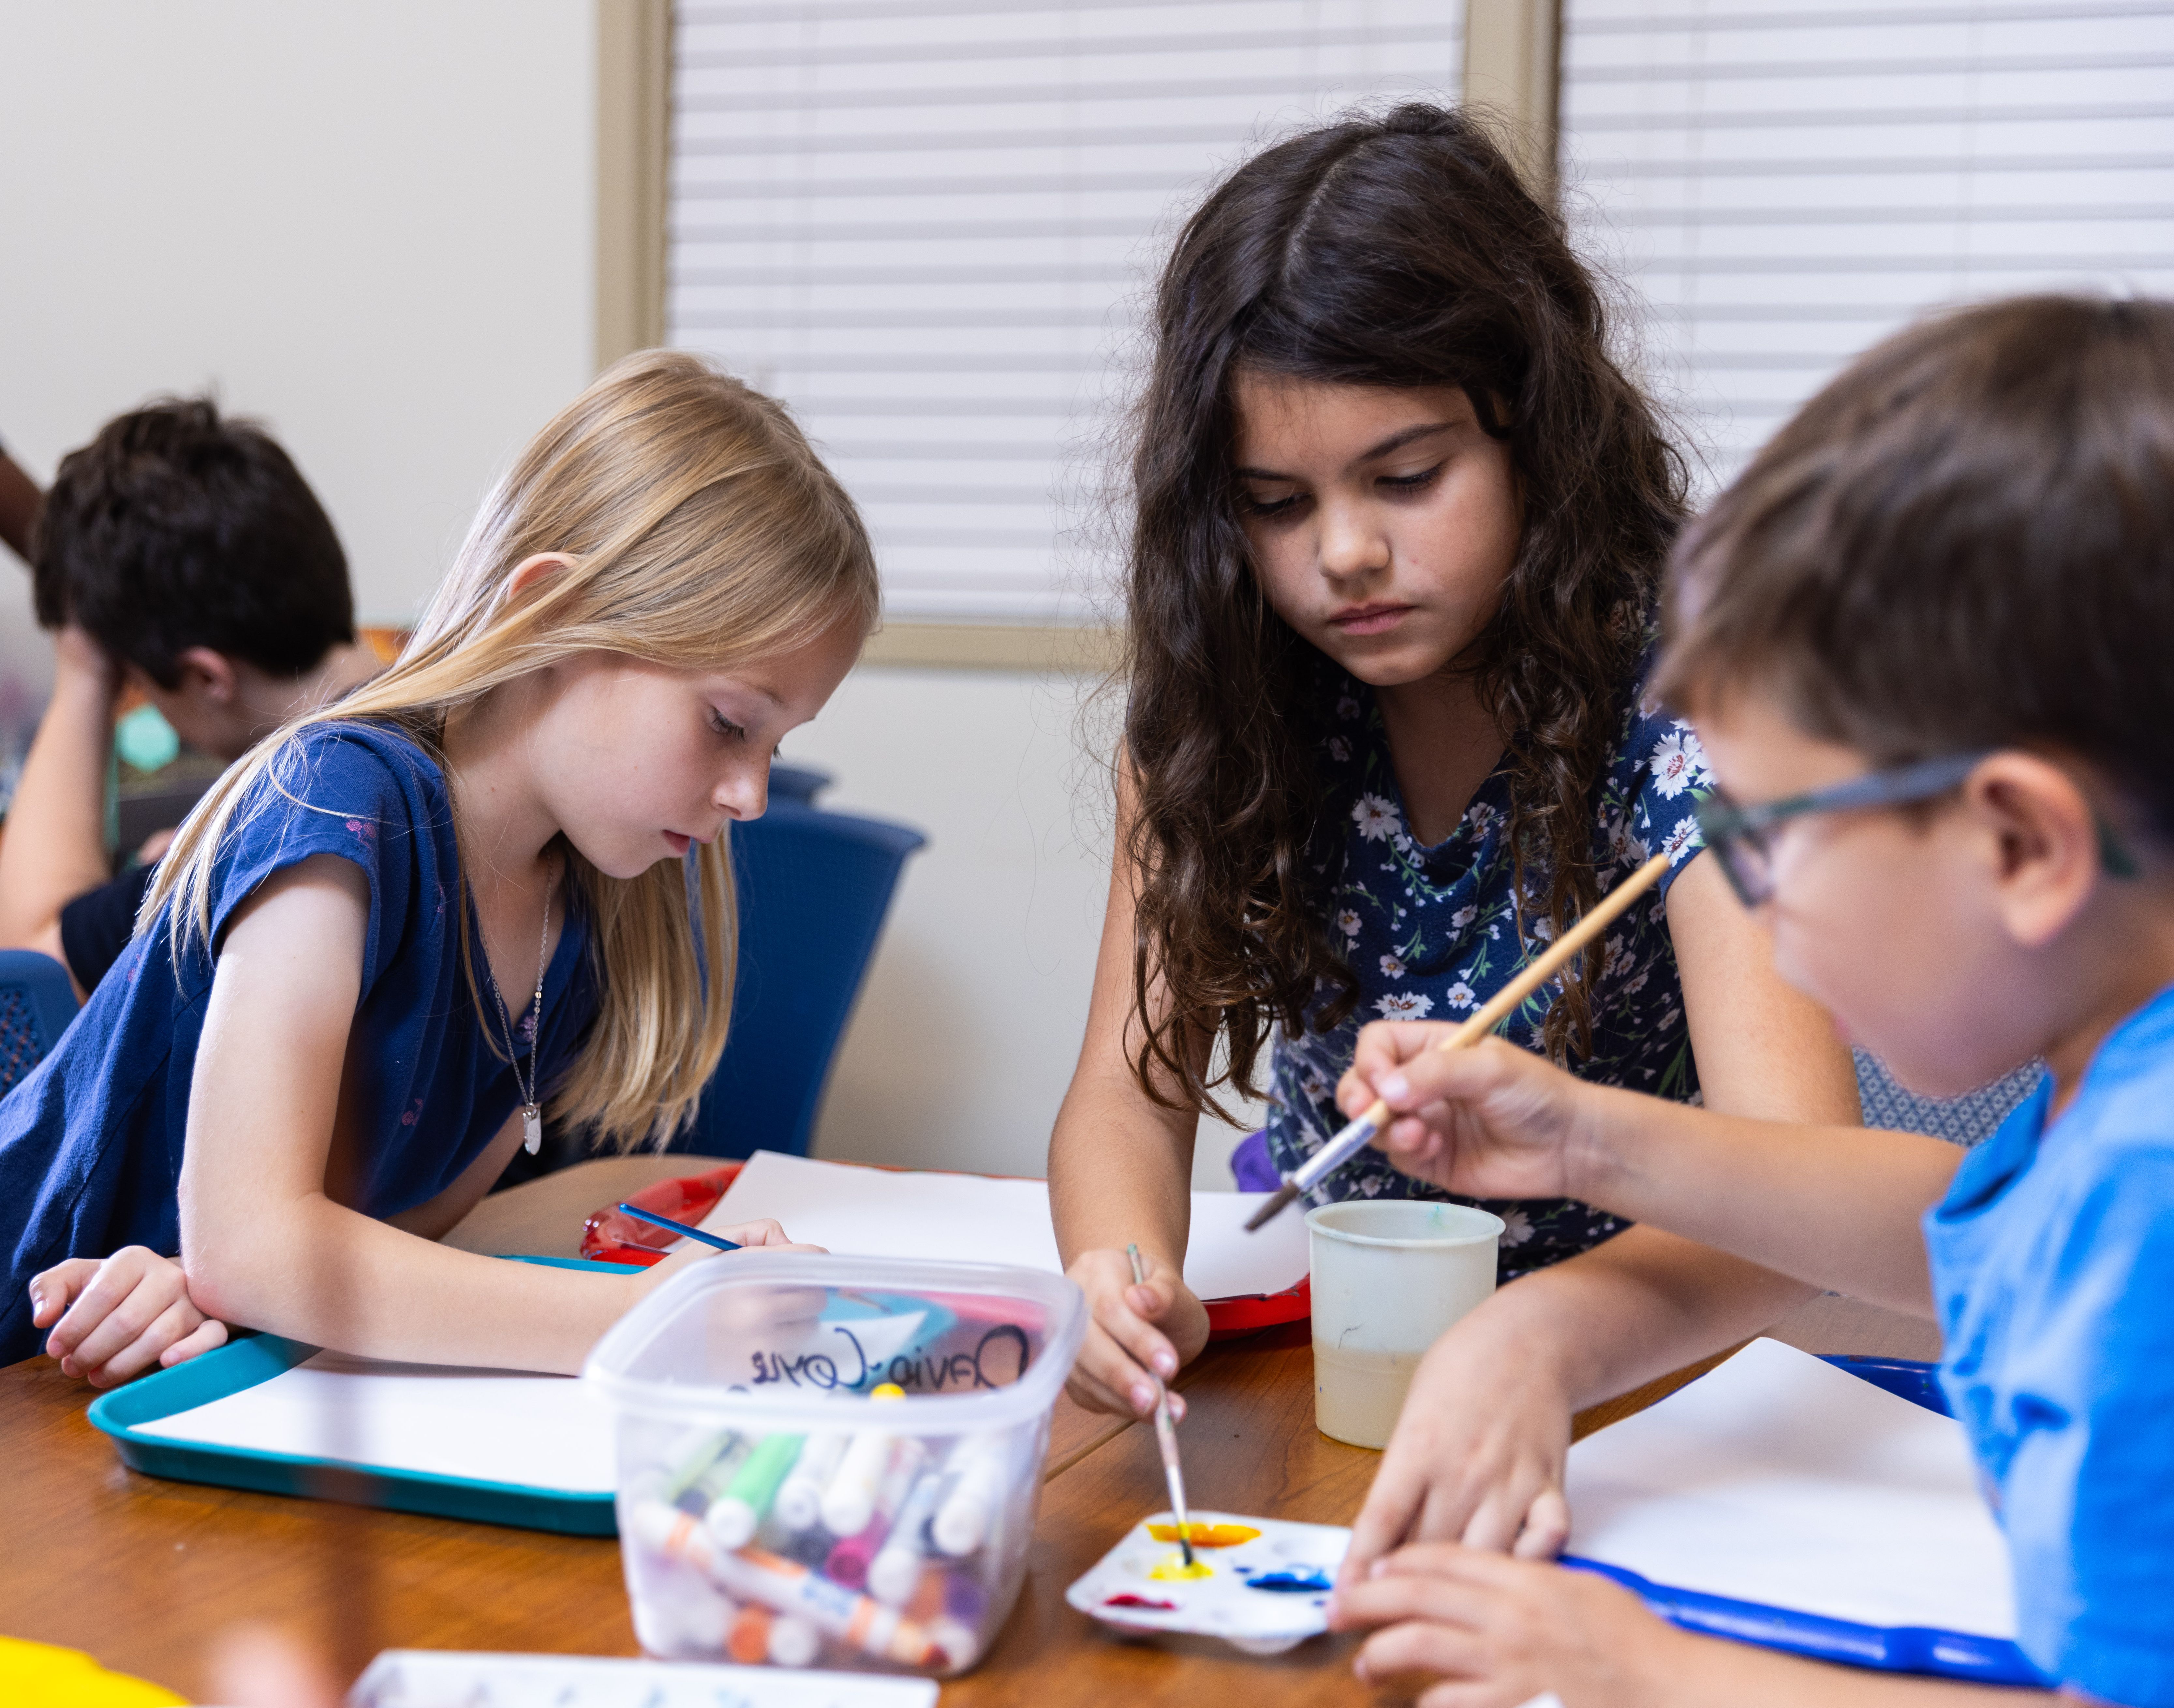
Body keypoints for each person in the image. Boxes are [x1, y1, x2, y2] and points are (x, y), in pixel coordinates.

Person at [1328, 295, 2174, 1705]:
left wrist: (1639, 1668)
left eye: (1774, 838)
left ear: (2022, 846)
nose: (1756, 903)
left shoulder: (2150, 1194)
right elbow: (1964, 1231)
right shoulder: (2118, 1090)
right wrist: (1582, 1136)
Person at [1047, 101, 1860, 1460]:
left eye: (1407, 475)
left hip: (1637, 1372)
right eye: (1275, 503)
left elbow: (1802, 1187)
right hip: (1349, 1355)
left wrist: (1535, 1337)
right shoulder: (1227, 715)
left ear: (1534, 435)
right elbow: (1128, 1093)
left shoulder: (1703, 708)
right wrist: (1120, 1274)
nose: (1344, 553)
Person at [6, 351, 874, 1384]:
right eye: (728, 722)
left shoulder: (582, 917)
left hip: (141, 1369)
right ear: (551, 615)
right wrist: (639, 1317)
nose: (752, 795)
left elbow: (371, 1237)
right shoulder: (337, 802)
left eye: (773, 744)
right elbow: (253, 1242)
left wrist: (218, 1284)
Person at [0, 400, 381, 998]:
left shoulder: (256, 837)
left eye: (142, 683)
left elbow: (28, 976)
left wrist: (84, 674)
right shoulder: (445, 718)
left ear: (206, 678)